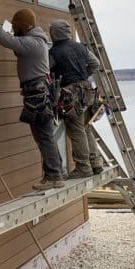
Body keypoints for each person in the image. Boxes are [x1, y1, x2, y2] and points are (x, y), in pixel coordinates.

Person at [0, 8, 64, 190]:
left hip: (37, 94)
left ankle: (54, 176)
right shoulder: (37, 41)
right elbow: (17, 47)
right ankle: (57, 171)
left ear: (25, 27)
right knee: (46, 135)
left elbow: (9, 42)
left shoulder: (33, 42)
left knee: (43, 135)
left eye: (17, 27)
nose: (16, 30)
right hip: (40, 92)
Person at [48, 19, 103, 178]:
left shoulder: (54, 52)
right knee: (86, 127)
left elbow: (45, 71)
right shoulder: (80, 47)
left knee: (77, 131)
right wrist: (83, 75)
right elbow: (96, 63)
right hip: (87, 92)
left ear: (54, 33)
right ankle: (96, 163)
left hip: (70, 96)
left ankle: (83, 168)